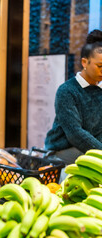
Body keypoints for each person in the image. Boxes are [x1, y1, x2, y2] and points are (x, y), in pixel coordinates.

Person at [45, 29, 102, 166]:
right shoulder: (67, 91)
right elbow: (75, 134)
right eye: (100, 66)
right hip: (60, 153)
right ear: (84, 62)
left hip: (89, 151)